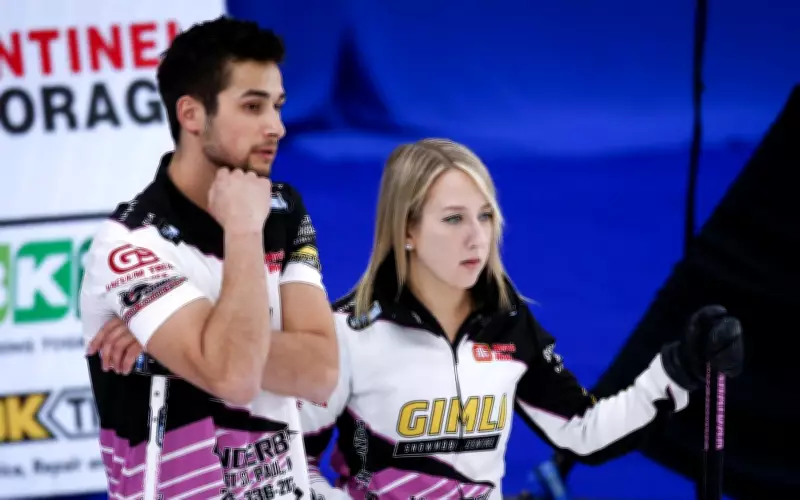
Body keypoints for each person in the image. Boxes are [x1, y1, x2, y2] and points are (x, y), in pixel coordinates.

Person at [93, 139, 745, 499]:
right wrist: (167, 334)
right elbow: (286, 462)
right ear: (406, 231)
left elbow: (584, 436)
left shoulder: (507, 326)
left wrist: (678, 372)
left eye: (485, 216)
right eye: (453, 219)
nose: (476, 238)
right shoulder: (345, 332)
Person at [79, 16, 337, 500]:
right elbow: (235, 379)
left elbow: (319, 371)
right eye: (253, 106)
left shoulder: (282, 206)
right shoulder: (129, 244)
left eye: (277, 107)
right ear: (191, 114)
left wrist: (175, 351)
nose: (277, 127)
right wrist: (242, 230)